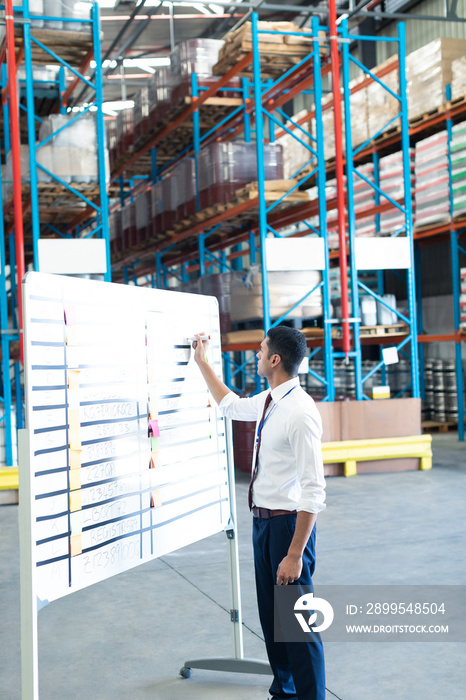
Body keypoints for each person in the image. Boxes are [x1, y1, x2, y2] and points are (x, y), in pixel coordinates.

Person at [193, 325, 326, 700]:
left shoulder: (300, 413)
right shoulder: (270, 400)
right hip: (263, 525)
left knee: (298, 628)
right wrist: (202, 363)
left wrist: (295, 554)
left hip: (289, 530)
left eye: (261, 349)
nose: (256, 353)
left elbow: (314, 491)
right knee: (273, 623)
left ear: (275, 359)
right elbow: (231, 405)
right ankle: (283, 693)